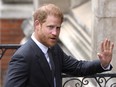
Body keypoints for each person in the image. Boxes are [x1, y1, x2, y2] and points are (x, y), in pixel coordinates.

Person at [4, 4, 114, 87]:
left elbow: (77, 67)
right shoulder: (23, 56)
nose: (55, 33)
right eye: (50, 27)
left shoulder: (54, 49)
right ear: (37, 25)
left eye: (58, 28)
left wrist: (102, 63)